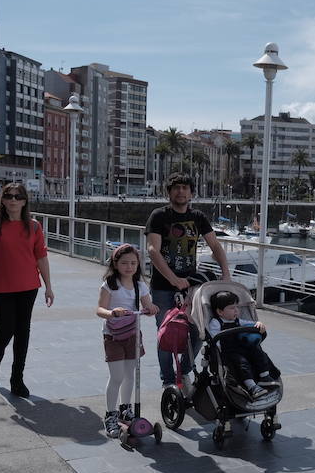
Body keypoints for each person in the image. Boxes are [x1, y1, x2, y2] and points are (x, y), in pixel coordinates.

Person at [145, 172, 231, 387]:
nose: (181, 191)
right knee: (167, 336)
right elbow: (153, 250)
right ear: (169, 192)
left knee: (198, 332)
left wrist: (226, 274)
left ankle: (183, 373)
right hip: (163, 288)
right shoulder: (159, 216)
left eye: (185, 188)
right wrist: (173, 279)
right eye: (176, 188)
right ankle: (167, 381)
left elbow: (216, 246)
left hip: (193, 289)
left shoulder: (198, 218)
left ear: (192, 193)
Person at [0, 182, 53, 398]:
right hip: (1, 287)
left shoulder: (34, 226)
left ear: (24, 201)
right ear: (2, 199)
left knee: (23, 332)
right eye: (8, 196)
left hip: (29, 287)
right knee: (5, 330)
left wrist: (49, 286)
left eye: (18, 196)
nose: (13, 200)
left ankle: (17, 379)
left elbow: (41, 257)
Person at [95, 244, 158, 438]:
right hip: (113, 336)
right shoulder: (109, 285)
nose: (129, 267)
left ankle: (125, 408)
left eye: (133, 263)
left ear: (138, 264)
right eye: (124, 263)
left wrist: (152, 309)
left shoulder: (140, 285)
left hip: (132, 334)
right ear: (115, 264)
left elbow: (148, 305)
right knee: (116, 376)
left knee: (130, 374)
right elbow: (100, 310)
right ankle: (111, 414)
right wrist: (112, 313)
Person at [208, 290, 280, 400]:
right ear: (220, 311)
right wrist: (218, 353)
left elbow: (249, 324)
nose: (236, 310)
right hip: (229, 352)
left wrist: (258, 323)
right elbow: (215, 339)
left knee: (258, 351)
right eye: (232, 308)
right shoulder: (216, 322)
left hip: (241, 348)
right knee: (242, 362)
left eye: (237, 307)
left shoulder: (238, 321)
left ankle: (264, 377)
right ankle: (252, 387)